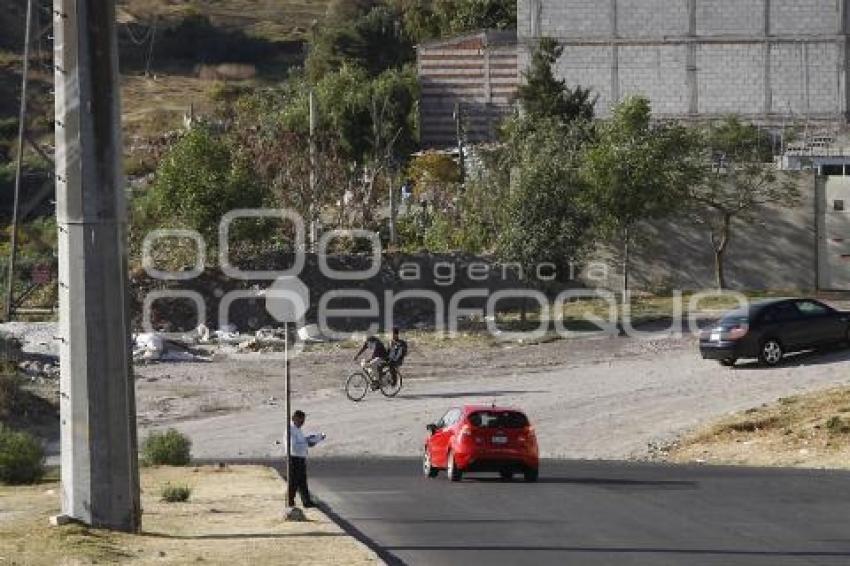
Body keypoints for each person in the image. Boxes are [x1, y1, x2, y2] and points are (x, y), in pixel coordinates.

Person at [286, 410, 324, 508]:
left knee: (302, 481)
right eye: (300, 420)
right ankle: (290, 501)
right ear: (294, 419)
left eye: (303, 420)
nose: (302, 422)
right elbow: (293, 447)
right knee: (293, 481)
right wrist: (307, 443)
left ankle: (306, 501)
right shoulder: (290, 430)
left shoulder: (298, 429)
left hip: (301, 458)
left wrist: (309, 439)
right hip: (294, 458)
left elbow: (300, 442)